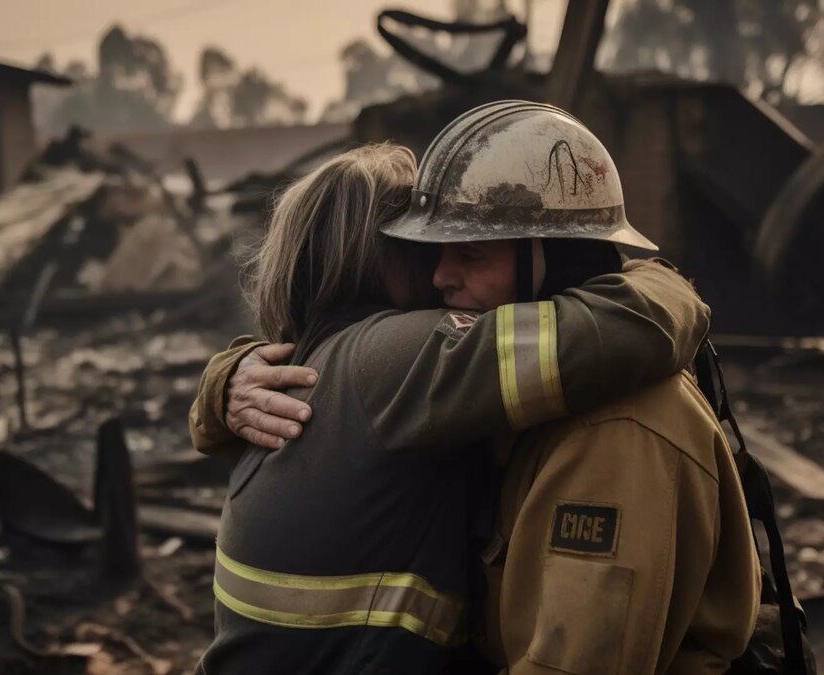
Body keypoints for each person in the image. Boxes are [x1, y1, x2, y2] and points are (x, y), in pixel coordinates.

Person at [198, 101, 761, 674]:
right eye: (428, 255)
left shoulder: (617, 424)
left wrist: (664, 290)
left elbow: (575, 660)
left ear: (553, 255)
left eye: (469, 253)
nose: (441, 278)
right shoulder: (427, 371)